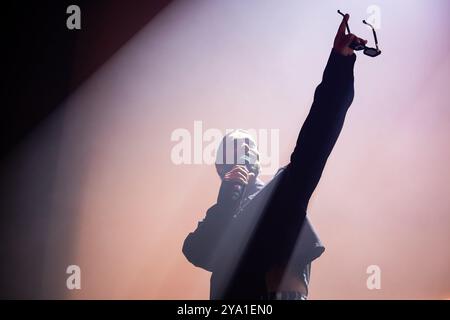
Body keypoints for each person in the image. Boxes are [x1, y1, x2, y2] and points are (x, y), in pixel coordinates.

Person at [183, 14, 367, 300]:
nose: (243, 154)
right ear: (220, 165)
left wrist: (339, 65)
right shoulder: (219, 214)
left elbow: (317, 139)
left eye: (248, 149)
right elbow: (198, 252)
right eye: (234, 150)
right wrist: (228, 196)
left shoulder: (281, 194)